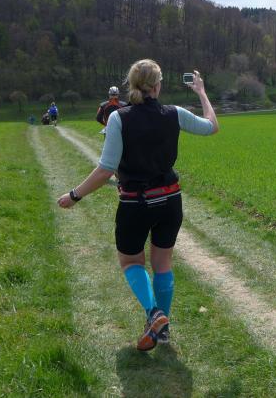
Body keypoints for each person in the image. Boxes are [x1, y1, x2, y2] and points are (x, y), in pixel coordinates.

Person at [56, 59, 218, 351]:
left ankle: (154, 314)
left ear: (131, 85)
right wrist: (201, 93)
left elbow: (106, 169)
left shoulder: (119, 118)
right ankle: (162, 330)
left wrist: (75, 195)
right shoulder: (175, 113)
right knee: (163, 264)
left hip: (136, 204)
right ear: (157, 86)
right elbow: (211, 127)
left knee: (131, 262)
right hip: (170, 201)